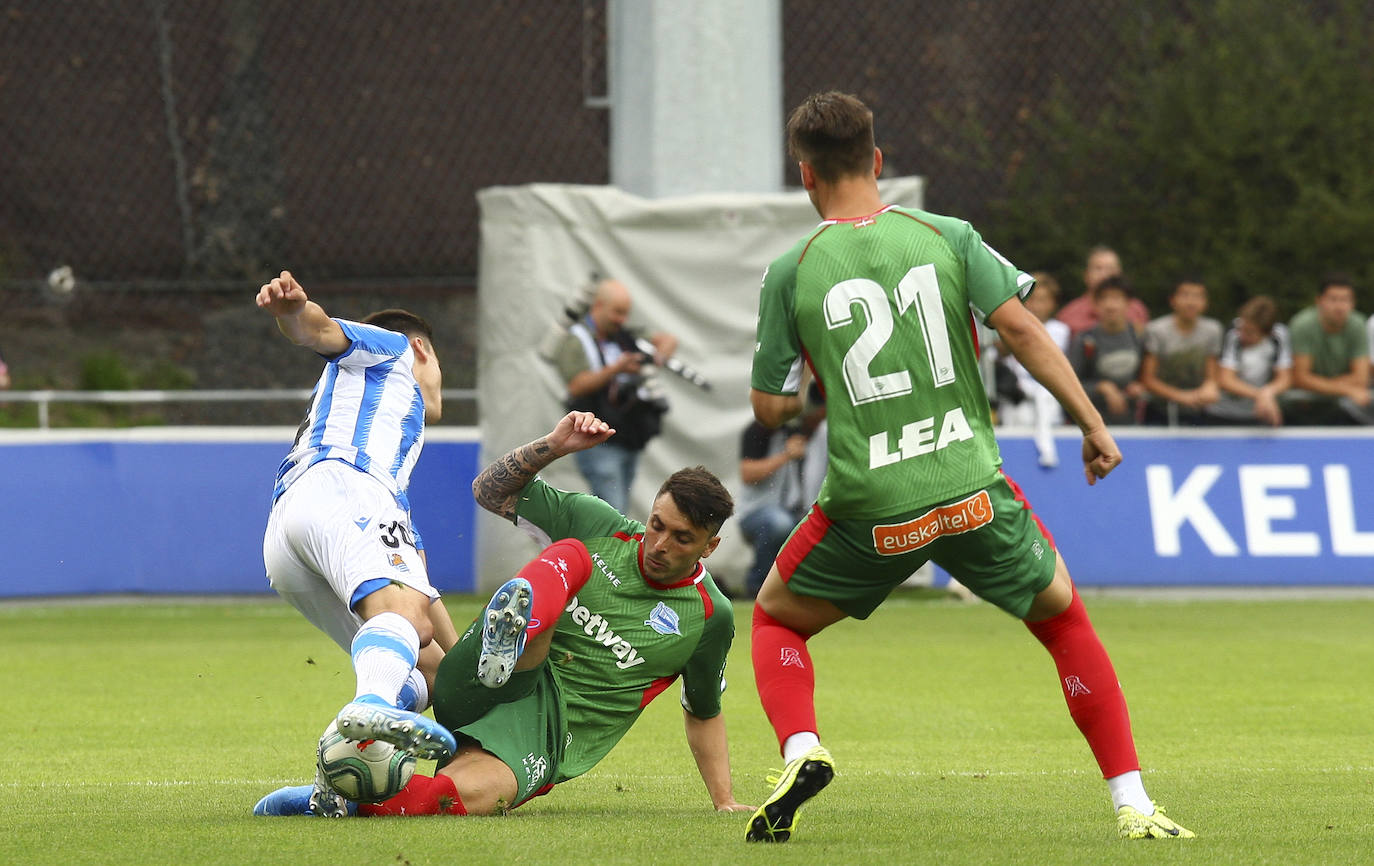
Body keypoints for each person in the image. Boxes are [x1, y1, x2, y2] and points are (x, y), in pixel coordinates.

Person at [744, 91, 1193, 843]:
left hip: (872, 505)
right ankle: (1134, 803)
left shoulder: (792, 271)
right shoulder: (947, 235)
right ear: (877, 161)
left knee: (771, 619)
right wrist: (1092, 423)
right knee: (1063, 621)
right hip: (970, 491)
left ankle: (802, 747)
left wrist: (817, 386)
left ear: (805, 176)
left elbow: (768, 409)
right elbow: (1022, 328)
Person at [255, 410, 754, 818]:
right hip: (489, 674)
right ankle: (513, 634)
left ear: (709, 546)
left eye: (681, 538)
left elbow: (703, 711)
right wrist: (553, 446)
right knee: (576, 556)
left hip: (545, 733)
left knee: (447, 803)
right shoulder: (603, 526)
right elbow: (490, 491)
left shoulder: (711, 616)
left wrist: (725, 800)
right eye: (656, 525)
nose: (659, 544)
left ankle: (334, 798)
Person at [256, 270, 461, 812]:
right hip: (342, 484)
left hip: (289, 533)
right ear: (423, 350)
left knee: (426, 671)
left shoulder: (394, 463)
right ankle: (371, 704)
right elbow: (319, 332)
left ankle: (332, 790)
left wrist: (470, 674)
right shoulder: (392, 349)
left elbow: (426, 606)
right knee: (404, 629)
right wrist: (292, 312)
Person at [548, 277, 679, 512]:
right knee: (612, 510)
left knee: (619, 510)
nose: (622, 320)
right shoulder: (576, 339)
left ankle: (607, 547)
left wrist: (655, 359)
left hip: (627, 436)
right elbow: (577, 385)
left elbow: (668, 340)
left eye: (625, 313)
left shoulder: (623, 337)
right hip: (596, 440)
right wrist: (617, 368)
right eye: (617, 312)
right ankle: (604, 548)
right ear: (598, 306)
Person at [996, 270, 1070, 467]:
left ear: (1053, 303)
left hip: (1048, 396)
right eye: (1032, 299)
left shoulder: (1061, 331)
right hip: (1017, 397)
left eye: (1043, 300)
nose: (1036, 305)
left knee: (1045, 401)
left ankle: (1048, 455)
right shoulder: (1010, 327)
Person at [1281, 276, 1372, 425]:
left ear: (1353, 303)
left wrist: (1319, 385)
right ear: (1319, 301)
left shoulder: (1358, 324)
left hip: (1342, 411)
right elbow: (1300, 378)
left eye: (1345, 300)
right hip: (1301, 410)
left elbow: (1361, 378)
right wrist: (1347, 390)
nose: (1339, 306)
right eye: (1333, 299)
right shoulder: (1302, 325)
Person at [738, 418, 809, 596]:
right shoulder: (756, 430)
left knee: (813, 524)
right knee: (780, 523)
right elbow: (747, 474)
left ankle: (799, 588)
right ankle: (757, 585)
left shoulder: (797, 429)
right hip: (753, 512)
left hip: (791, 510)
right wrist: (786, 455)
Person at [1138, 278, 1223, 426]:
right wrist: (1182, 397)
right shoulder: (1156, 330)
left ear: (1205, 302)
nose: (1191, 302)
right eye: (1185, 295)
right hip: (1159, 412)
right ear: (1172, 300)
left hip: (1199, 411)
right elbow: (1147, 379)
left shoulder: (1213, 330)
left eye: (1198, 296)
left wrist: (1210, 387)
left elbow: (1212, 374)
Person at [1067, 276, 1147, 425]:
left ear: (1129, 303)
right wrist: (1101, 387)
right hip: (1090, 424)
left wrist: (1139, 388)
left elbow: (1150, 379)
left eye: (1116, 298)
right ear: (1095, 305)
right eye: (1104, 299)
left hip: (1134, 425)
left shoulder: (1140, 336)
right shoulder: (1085, 340)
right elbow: (1070, 384)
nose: (1110, 305)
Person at [1208, 295, 1292, 426]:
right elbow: (1226, 379)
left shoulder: (1279, 335)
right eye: (1242, 327)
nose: (1242, 334)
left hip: (1259, 415)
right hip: (1223, 414)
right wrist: (1261, 396)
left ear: (1267, 333)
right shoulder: (1233, 332)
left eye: (1249, 332)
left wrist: (1269, 392)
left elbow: (1285, 378)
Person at [1054, 246, 1150, 339]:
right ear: (1086, 275)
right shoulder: (1068, 315)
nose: (1105, 275)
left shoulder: (1137, 310)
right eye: (1098, 268)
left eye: (1111, 268)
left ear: (1120, 273)